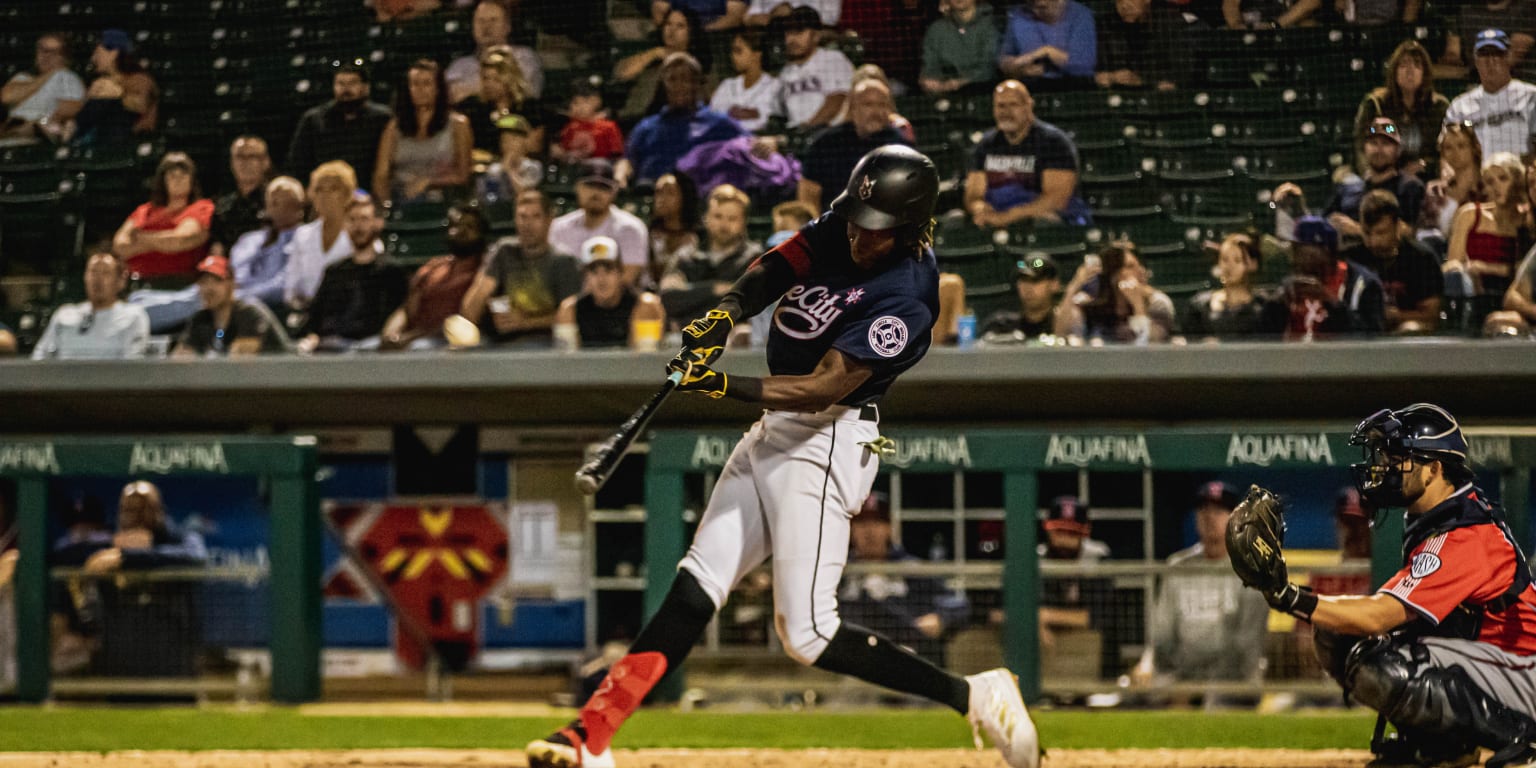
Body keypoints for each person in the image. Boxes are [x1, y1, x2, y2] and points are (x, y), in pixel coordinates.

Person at [525, 146, 1039, 768]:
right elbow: (778, 264)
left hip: (827, 439)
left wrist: (720, 385)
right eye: (854, 217)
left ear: (910, 229)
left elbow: (825, 386)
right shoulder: (845, 227)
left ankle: (974, 695)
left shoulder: (908, 297)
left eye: (873, 227)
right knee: (694, 588)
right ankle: (590, 736)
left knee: (808, 634)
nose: (856, 233)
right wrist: (726, 312)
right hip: (774, 430)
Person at [1229, 404, 1536, 767]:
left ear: (1435, 469)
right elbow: (1374, 610)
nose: (1386, 467)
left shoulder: (1464, 534)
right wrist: (1298, 599)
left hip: (1522, 669)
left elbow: (1379, 616)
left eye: (1400, 459)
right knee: (1336, 633)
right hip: (1492, 662)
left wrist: (1290, 596)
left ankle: (1522, 739)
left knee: (1378, 661)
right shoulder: (1438, 521)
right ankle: (1446, 748)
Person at [1131, 481, 1269, 703]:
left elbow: (1246, 646)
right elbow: (1163, 635)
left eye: (1218, 511)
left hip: (1235, 682)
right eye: (1203, 510)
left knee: (1211, 701)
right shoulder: (1177, 566)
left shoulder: (1253, 568)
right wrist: (1148, 666)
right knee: (1133, 697)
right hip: (1182, 677)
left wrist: (1196, 689)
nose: (1209, 517)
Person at [132, 175, 307, 333]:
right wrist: (229, 286)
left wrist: (240, 294)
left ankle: (130, 320)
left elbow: (285, 285)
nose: (272, 205)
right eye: (270, 200)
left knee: (185, 302)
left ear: (298, 208)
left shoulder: (304, 240)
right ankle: (132, 309)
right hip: (225, 288)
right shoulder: (250, 239)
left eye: (280, 201)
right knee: (141, 297)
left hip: (250, 300)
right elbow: (235, 269)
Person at [839, 492, 970, 666]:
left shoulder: (910, 569)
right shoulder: (838, 571)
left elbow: (959, 604)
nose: (869, 531)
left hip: (904, 656)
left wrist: (941, 617)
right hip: (852, 662)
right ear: (851, 529)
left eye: (878, 522)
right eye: (862, 523)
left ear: (889, 528)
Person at [461, 190, 582, 347]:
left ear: (549, 220)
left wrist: (525, 322)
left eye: (535, 217)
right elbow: (473, 304)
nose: (528, 224)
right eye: (522, 217)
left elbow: (572, 316)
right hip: (501, 339)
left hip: (544, 341)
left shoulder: (564, 261)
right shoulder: (503, 251)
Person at [965, 80, 1092, 229]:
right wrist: (981, 209)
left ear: (1029, 106)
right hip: (997, 217)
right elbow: (974, 195)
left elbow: (1056, 200)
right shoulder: (985, 145)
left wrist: (1009, 216)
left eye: (1013, 105)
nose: (1006, 112)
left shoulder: (1054, 142)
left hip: (1040, 219)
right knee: (955, 221)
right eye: (1000, 106)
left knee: (1044, 221)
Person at [298, 191, 408, 353]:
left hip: (372, 348)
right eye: (352, 219)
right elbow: (315, 318)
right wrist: (313, 338)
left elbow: (400, 315)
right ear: (344, 224)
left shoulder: (392, 271)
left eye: (364, 219)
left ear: (377, 223)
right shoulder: (334, 271)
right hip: (330, 345)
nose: (358, 226)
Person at [620, 53, 748, 188]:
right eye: (672, 79)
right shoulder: (646, 127)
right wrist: (621, 171)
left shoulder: (720, 124)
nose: (678, 86)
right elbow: (627, 161)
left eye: (685, 79)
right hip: (652, 195)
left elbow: (752, 146)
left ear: (697, 83)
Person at [379, 203, 488, 350]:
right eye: (455, 225)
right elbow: (406, 310)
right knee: (366, 349)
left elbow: (459, 322)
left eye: (469, 226)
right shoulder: (432, 267)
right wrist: (390, 335)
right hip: (411, 339)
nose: (460, 231)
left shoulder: (485, 270)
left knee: (419, 347)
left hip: (448, 341)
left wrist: (409, 338)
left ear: (481, 232)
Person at [1036, 495, 1118, 681]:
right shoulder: (1035, 559)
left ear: (1085, 531)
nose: (1064, 539)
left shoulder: (1098, 558)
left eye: (1071, 533)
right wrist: (1033, 620)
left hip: (1097, 668)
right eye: (1059, 531)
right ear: (1047, 528)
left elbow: (1099, 616)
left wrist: (1043, 615)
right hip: (1046, 664)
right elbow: (996, 611)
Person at [797, 79, 909, 210]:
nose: (876, 112)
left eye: (882, 105)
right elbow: (808, 192)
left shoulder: (898, 143)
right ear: (853, 108)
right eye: (868, 104)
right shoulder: (826, 143)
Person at [372, 59, 473, 206]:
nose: (420, 89)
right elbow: (381, 175)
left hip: (445, 197)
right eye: (415, 84)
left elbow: (463, 174)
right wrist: (386, 205)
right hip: (401, 196)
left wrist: (428, 182)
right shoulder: (394, 128)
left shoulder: (458, 125)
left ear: (438, 88)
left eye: (426, 84)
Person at [1446, 152, 1527, 330]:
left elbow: (1525, 271)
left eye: (1503, 178)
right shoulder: (1470, 214)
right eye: (1490, 182)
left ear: (1517, 182)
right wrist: (1466, 272)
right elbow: (1453, 263)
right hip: (1475, 293)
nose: (1496, 187)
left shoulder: (1526, 221)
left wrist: (1487, 267)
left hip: (1514, 293)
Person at [1269, 215, 1386, 340]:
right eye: (1294, 249)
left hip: (1339, 358)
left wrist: (1330, 301)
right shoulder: (1291, 285)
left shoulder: (1363, 284)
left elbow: (1372, 339)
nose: (1295, 257)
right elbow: (1261, 336)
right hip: (1292, 357)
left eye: (1300, 249)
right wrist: (1276, 304)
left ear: (1325, 251)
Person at [285, 57, 394, 189]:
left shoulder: (382, 119)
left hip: (368, 192)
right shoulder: (314, 120)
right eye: (340, 84)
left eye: (352, 83)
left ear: (365, 87)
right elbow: (297, 163)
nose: (346, 90)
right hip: (324, 192)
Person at [658, 184, 760, 325]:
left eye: (732, 219)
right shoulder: (685, 256)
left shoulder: (754, 257)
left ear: (743, 222)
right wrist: (715, 289)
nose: (724, 224)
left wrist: (690, 292)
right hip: (686, 336)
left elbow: (749, 303)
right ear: (705, 218)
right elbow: (669, 299)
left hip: (735, 336)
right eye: (718, 216)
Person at [1344, 190, 1442, 333]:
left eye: (1381, 233)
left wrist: (1396, 316)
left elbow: (1431, 315)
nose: (1373, 242)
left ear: (1398, 227)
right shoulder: (1353, 258)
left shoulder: (1421, 258)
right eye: (1367, 233)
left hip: (1407, 336)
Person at [548, 159, 650, 287]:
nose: (596, 193)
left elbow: (627, 280)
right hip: (568, 301)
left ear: (614, 192)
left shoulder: (630, 228)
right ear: (577, 187)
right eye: (590, 185)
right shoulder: (558, 227)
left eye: (603, 187)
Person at [1353, 42, 1449, 178]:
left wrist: (1426, 165)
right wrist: (1370, 175)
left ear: (1425, 73)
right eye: (1403, 64)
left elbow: (1447, 151)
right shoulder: (1375, 104)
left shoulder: (1439, 107)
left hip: (1424, 176)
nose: (1410, 70)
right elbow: (1359, 147)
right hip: (1380, 173)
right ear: (1394, 71)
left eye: (1417, 65)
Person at [554, 236, 668, 350]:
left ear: (620, 273)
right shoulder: (569, 310)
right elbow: (566, 361)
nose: (601, 279)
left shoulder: (645, 306)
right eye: (594, 272)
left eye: (608, 270)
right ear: (585, 276)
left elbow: (646, 359)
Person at [112, 152, 214, 280]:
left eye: (183, 175)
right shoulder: (144, 210)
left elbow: (179, 240)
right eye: (172, 176)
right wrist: (163, 242)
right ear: (163, 181)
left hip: (180, 283)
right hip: (138, 282)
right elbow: (120, 246)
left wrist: (140, 238)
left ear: (192, 180)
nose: (178, 180)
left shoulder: (201, 207)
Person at [1325, 118, 1425, 246]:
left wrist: (1358, 230)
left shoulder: (1409, 186)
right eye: (1373, 143)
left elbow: (1409, 232)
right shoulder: (1348, 187)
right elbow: (1326, 220)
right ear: (1364, 148)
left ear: (1398, 150)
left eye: (1386, 144)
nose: (1379, 149)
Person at [32, 251, 149, 360]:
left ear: (120, 282)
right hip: (64, 379)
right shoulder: (64, 314)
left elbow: (133, 364)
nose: (98, 279)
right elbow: (39, 357)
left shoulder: (133, 316)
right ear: (85, 277)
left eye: (105, 273)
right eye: (93, 272)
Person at [172, 255, 291, 356]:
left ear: (232, 283)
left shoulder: (249, 312)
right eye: (203, 282)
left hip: (280, 380)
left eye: (216, 281)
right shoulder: (200, 319)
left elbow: (239, 365)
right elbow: (181, 361)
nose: (208, 288)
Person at [1444, 29, 1536, 160]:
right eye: (1484, 54)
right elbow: (1447, 148)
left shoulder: (1532, 97)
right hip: (1478, 178)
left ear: (1509, 57)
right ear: (1475, 61)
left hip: (1522, 177)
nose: (1490, 61)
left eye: (1497, 54)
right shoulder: (1460, 106)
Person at [1057, 244, 1175, 345]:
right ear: (1113, 275)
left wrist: (1138, 307)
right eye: (1130, 266)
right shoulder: (1089, 306)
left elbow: (1150, 344)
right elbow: (1061, 334)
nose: (1140, 271)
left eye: (1139, 265)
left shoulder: (1157, 303)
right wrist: (1073, 287)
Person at [613, 7, 711, 125]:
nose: (672, 30)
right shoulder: (652, 59)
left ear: (691, 32)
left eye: (680, 26)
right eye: (668, 24)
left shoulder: (698, 65)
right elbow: (621, 74)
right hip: (639, 120)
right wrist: (654, 53)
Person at [285, 161, 357, 310]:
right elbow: (291, 285)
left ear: (347, 195)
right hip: (306, 311)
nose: (325, 195)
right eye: (318, 190)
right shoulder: (302, 234)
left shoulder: (359, 235)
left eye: (333, 189)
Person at [445, 0, 544, 105]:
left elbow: (522, 90)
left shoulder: (524, 56)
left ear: (507, 27)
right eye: (480, 21)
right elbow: (445, 95)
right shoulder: (460, 65)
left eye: (493, 20)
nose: (486, 26)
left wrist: (467, 91)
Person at [70, 29, 157, 148]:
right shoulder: (99, 82)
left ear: (113, 53)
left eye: (98, 53)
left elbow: (141, 105)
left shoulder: (139, 79)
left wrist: (119, 93)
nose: (93, 59)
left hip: (127, 140)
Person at [1181, 233, 1273, 342]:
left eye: (1237, 260)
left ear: (1252, 264)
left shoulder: (1264, 308)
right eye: (1225, 259)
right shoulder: (1199, 307)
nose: (1229, 267)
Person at [776, 5, 854, 131]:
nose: (792, 39)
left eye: (799, 32)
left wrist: (806, 130)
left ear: (816, 36)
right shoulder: (785, 72)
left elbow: (836, 101)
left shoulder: (832, 59)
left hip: (831, 133)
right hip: (796, 137)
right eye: (789, 32)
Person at [457, 45, 544, 158]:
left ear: (510, 79)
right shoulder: (472, 107)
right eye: (485, 78)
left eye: (496, 80)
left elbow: (534, 146)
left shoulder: (530, 107)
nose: (489, 84)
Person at [0, 32, 84, 146]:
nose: (46, 56)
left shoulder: (66, 77)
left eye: (54, 52)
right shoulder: (22, 77)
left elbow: (73, 106)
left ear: (64, 58)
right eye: (43, 50)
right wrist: (49, 74)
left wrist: (44, 122)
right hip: (11, 133)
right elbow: (6, 97)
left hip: (38, 138)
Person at [998, 0, 1096, 90]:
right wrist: (1022, 70)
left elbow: (1084, 65)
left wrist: (1047, 52)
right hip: (1029, 87)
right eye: (1031, 6)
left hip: (1072, 87)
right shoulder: (1018, 15)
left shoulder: (1080, 15)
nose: (1035, 11)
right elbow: (1004, 61)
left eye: (1042, 7)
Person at [208, 136, 274, 258]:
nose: (245, 163)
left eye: (252, 157)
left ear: (266, 162)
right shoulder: (222, 206)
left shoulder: (276, 200)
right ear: (232, 163)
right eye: (239, 157)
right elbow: (217, 248)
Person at [1422, 121, 1484, 250]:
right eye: (1448, 147)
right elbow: (1426, 232)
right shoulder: (1435, 190)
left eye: (1461, 146)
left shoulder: (1487, 188)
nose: (1455, 152)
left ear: (1474, 148)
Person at [920, 0, 1001, 96]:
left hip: (984, 92)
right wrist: (930, 82)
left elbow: (988, 68)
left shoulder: (991, 24)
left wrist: (960, 82)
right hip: (945, 96)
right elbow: (929, 68)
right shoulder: (936, 30)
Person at [709, 28, 783, 133]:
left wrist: (736, 113)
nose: (733, 57)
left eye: (739, 51)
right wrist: (749, 113)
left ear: (757, 55)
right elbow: (714, 115)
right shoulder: (727, 85)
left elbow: (768, 119)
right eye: (733, 51)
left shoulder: (775, 85)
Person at [980, 252, 1063, 345]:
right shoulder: (1000, 326)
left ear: (1054, 284)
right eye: (1023, 280)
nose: (1028, 288)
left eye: (1035, 281)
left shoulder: (1065, 326)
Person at [1443, 6, 1536, 83]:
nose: (1491, 58)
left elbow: (1515, 55)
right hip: (1474, 82)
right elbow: (1452, 55)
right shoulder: (1466, 11)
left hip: (1518, 82)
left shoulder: (1526, 9)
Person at [647, 172, 701, 283]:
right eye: (658, 192)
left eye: (670, 193)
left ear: (685, 197)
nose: (661, 199)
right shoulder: (646, 234)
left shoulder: (700, 237)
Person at [476, 113, 543, 204]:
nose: (508, 145)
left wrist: (510, 171)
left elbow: (525, 197)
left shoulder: (533, 167)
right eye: (504, 140)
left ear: (524, 141)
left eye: (513, 140)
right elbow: (486, 199)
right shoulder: (494, 169)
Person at [554, 81, 625, 163]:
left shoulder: (609, 127)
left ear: (597, 101)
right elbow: (564, 151)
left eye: (585, 102)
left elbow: (618, 155)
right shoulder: (570, 127)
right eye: (575, 103)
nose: (580, 107)